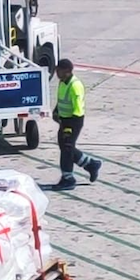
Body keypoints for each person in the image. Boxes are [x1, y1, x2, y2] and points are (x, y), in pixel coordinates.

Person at [49, 58, 102, 191]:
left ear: (66, 71)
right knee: (66, 147)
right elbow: (61, 100)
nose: (56, 72)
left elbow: (77, 110)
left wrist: (68, 128)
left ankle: (68, 178)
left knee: (67, 149)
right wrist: (56, 111)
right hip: (64, 120)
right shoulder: (63, 82)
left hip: (73, 121)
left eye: (58, 70)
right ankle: (91, 164)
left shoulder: (75, 86)